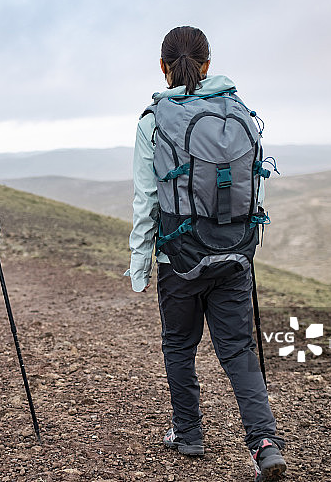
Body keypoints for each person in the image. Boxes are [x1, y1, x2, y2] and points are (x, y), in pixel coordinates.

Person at [127, 26, 286, 482]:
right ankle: (264, 443)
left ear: (162, 67)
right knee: (238, 350)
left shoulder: (153, 120)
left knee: (179, 344)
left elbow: (146, 200)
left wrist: (140, 264)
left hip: (178, 256)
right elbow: (252, 186)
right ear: (208, 63)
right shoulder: (239, 112)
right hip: (235, 252)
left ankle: (189, 433)